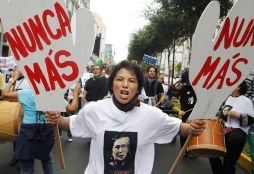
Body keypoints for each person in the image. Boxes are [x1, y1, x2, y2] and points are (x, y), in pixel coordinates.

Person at [46, 60, 206, 174]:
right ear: (112, 85)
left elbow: (180, 128)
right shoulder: (94, 110)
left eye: (131, 80)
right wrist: (58, 120)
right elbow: (72, 124)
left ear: (138, 88)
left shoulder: (152, 115)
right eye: (120, 79)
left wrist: (192, 127)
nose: (125, 84)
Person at [209, 81, 254, 174]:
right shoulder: (229, 98)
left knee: (228, 165)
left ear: (238, 87)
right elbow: (224, 115)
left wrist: (238, 116)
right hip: (225, 130)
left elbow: (251, 121)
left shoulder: (246, 101)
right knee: (212, 153)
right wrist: (221, 115)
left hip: (237, 134)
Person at [178, 70, 197, 153]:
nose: (188, 82)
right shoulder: (183, 89)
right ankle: (183, 151)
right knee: (184, 132)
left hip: (194, 114)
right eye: (186, 81)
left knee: (193, 132)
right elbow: (182, 101)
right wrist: (182, 110)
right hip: (185, 114)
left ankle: (191, 150)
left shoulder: (197, 88)